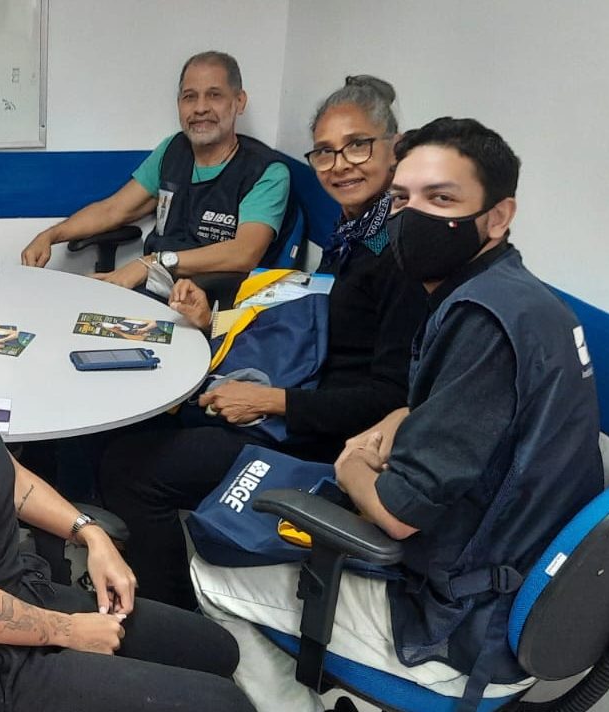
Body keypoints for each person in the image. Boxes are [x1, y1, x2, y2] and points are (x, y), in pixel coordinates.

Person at [191, 118, 604, 711]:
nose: (413, 217)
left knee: (214, 563)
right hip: (515, 579)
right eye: (401, 198)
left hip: (461, 629)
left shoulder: (478, 323)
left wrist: (351, 458)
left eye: (442, 199)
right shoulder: (517, 298)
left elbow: (397, 513)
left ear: (498, 215)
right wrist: (406, 413)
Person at [0, 199, 252, 712]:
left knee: (216, 650)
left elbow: (0, 468)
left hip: (19, 592)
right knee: (224, 705)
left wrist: (90, 531)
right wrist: (72, 631)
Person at [98, 76, 428, 611]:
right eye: (325, 152)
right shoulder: (354, 235)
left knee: (131, 471)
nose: (340, 164)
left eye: (358, 145)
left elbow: (388, 397)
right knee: (146, 418)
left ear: (396, 146)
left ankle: (174, 618)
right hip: (302, 402)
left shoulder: (402, 255)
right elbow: (318, 338)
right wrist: (212, 325)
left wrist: (272, 401)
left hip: (324, 446)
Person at [20, 51, 291, 298]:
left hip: (211, 305)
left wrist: (153, 263)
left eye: (214, 95)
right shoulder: (173, 150)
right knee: (77, 305)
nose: (200, 108)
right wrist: (51, 235)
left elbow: (244, 253)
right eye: (189, 97)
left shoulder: (265, 171)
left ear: (239, 101)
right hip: (155, 288)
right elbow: (114, 210)